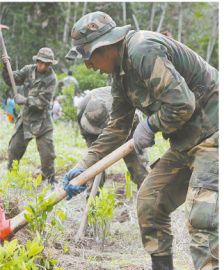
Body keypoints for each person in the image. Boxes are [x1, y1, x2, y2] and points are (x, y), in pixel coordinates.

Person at [63, 11, 218, 270]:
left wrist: (150, 125)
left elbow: (182, 104)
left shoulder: (142, 49)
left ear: (105, 46)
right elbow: (117, 127)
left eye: (89, 56)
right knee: (150, 200)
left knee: (202, 215)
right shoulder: (120, 76)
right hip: (187, 141)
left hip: (214, 132)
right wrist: (85, 165)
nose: (89, 65)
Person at [2, 47, 58, 185]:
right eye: (40, 62)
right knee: (14, 150)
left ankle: (50, 182)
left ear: (50, 64)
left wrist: (25, 100)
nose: (42, 65)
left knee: (47, 155)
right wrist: (5, 66)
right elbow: (12, 80)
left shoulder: (51, 78)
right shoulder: (28, 70)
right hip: (26, 118)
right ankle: (11, 179)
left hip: (42, 121)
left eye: (46, 63)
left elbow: (43, 102)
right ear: (37, 60)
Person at [77, 85, 149, 190]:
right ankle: (92, 197)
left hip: (127, 125)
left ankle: (147, 195)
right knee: (93, 163)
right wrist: (87, 164)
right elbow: (91, 146)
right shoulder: (82, 109)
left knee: (139, 167)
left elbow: (130, 134)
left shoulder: (126, 111)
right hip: (98, 127)